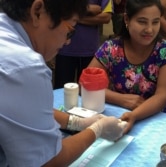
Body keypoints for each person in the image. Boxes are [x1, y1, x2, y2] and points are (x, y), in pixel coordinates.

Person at [0, 0, 124, 166]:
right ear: (37, 12)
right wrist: (97, 129)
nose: (67, 42)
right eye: (70, 31)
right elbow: (48, 161)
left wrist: (76, 122)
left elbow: (24, 109)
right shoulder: (26, 67)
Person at [88, 0, 166, 134]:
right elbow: (86, 85)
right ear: (127, 19)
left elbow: (162, 96)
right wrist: (122, 99)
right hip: (117, 119)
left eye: (155, 22)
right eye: (142, 22)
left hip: (155, 123)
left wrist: (134, 115)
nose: (149, 29)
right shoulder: (111, 48)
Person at [54, 0, 113, 89]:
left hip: (90, 51)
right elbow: (56, 9)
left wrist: (73, 17)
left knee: (88, 92)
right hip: (64, 49)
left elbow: (106, 17)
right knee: (61, 92)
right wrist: (87, 9)